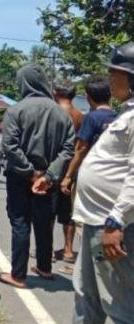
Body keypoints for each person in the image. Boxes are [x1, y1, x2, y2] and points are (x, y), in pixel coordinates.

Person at [32, 43, 134, 324]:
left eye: (115, 72)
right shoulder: (126, 112)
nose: (110, 78)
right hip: (96, 218)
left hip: (114, 224)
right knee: (86, 293)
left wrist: (116, 221)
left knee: (123, 305)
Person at [0, 64, 74, 289]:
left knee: (20, 221)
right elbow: (68, 149)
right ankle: (44, 267)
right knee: (43, 221)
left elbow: (10, 145)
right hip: (49, 179)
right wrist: (48, 176)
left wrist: (31, 173)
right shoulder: (61, 113)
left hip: (21, 176)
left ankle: (18, 275)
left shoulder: (16, 110)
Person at [58, 76, 117, 263]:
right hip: (112, 177)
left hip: (89, 175)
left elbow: (81, 149)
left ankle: (86, 259)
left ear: (89, 96)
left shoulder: (91, 118)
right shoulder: (118, 117)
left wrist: (68, 176)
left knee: (82, 217)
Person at [52, 83, 84, 261]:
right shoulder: (80, 116)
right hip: (71, 168)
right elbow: (80, 147)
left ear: (56, 93)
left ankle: (46, 249)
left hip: (54, 165)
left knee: (48, 209)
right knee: (69, 212)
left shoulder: (53, 113)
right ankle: (68, 250)